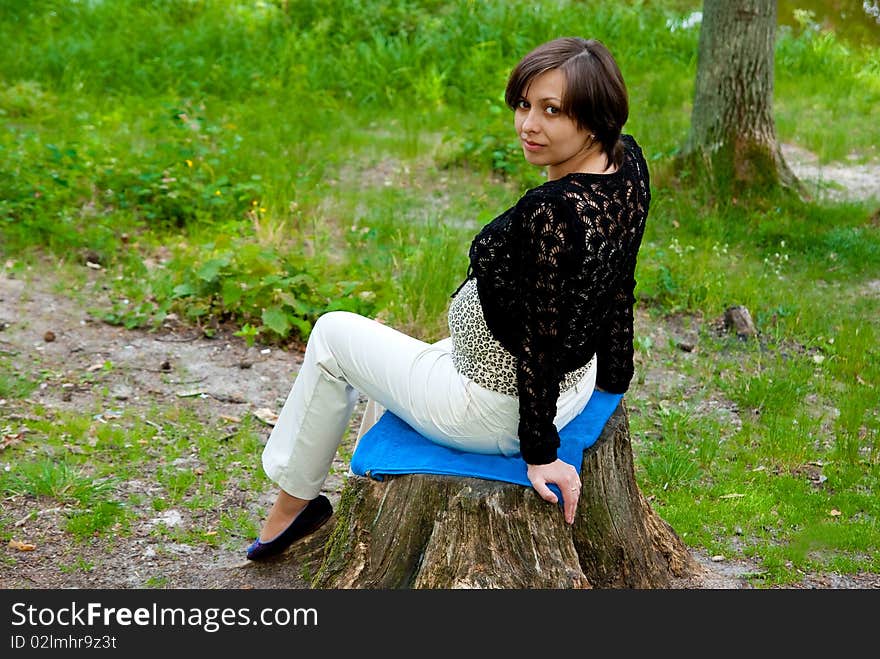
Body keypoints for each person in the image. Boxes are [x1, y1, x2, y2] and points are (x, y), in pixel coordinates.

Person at [246, 36, 650, 561]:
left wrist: (542, 452)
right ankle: (369, 479)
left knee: (331, 335)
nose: (529, 125)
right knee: (386, 363)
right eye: (524, 105)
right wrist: (613, 378)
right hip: (575, 380)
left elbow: (542, 342)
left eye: (552, 111)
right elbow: (619, 280)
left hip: (499, 406)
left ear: (595, 120)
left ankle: (289, 512)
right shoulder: (627, 166)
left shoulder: (554, 213)